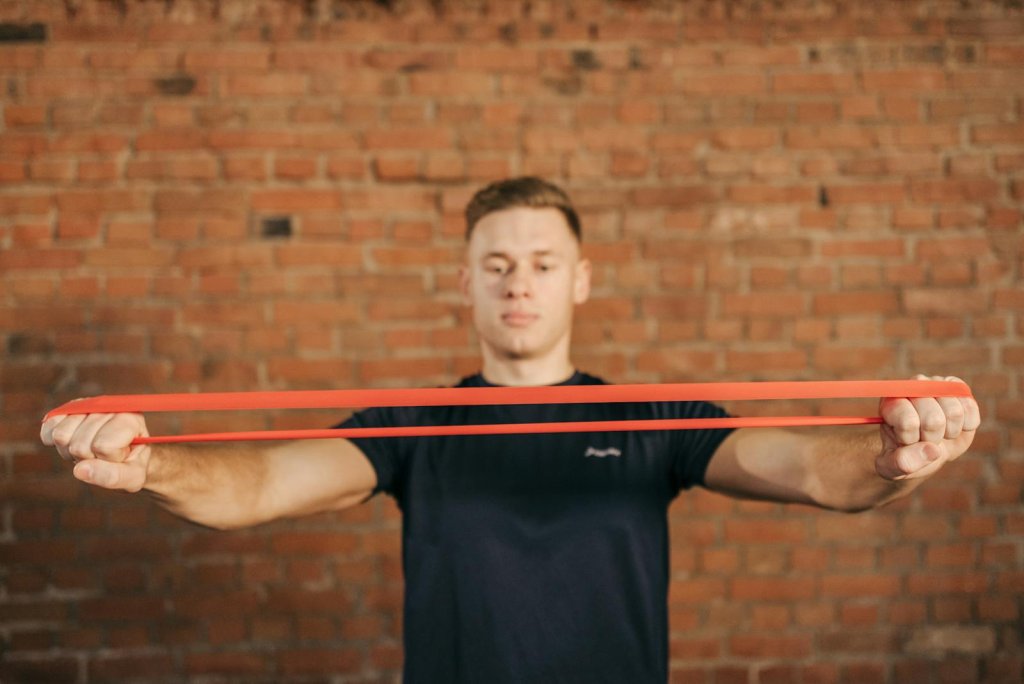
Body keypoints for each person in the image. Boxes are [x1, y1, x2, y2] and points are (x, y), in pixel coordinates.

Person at [41, 177, 980, 683]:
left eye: (540, 262)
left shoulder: (654, 419)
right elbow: (255, 488)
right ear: (466, 284)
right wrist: (149, 463)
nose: (518, 282)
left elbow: (820, 471)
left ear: (578, 280)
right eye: (495, 264)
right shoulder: (411, 428)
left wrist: (895, 454)